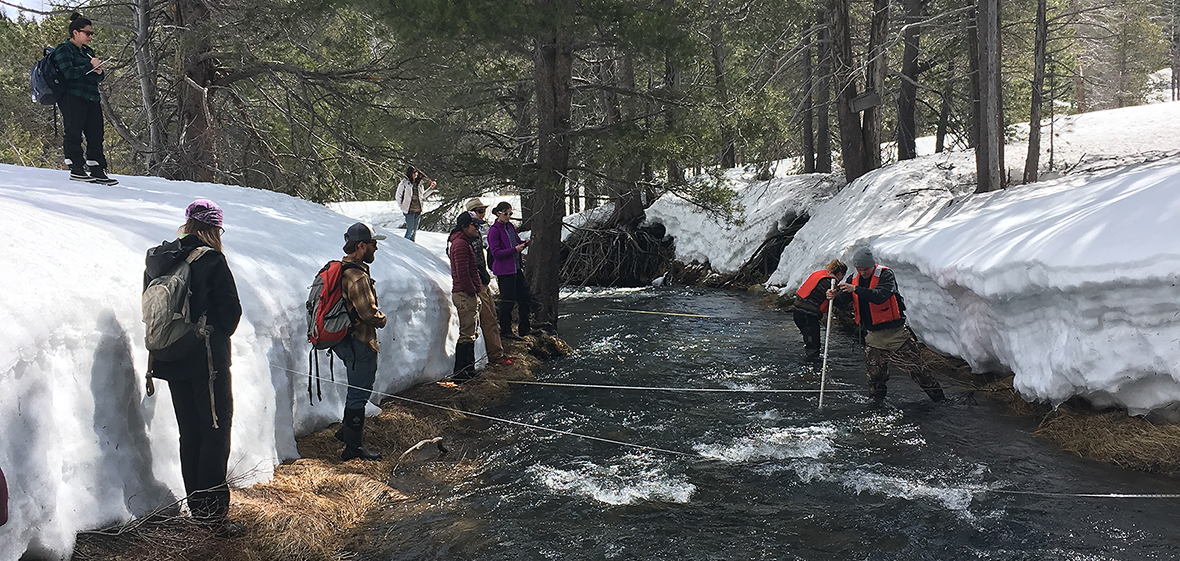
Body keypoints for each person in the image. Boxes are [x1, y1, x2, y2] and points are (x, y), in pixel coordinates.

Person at [144, 199, 242, 535]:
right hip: (207, 361)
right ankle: (212, 516)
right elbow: (230, 313)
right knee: (215, 431)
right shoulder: (212, 260)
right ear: (214, 228)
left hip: (171, 359)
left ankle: (197, 507)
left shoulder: (161, 259)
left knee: (191, 432)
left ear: (187, 224)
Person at [828, 247, 944, 402]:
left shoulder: (885, 275)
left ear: (872, 265)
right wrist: (833, 296)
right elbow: (843, 300)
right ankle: (877, 405)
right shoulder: (853, 278)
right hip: (873, 337)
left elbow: (881, 296)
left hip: (896, 335)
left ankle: (940, 400)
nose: (862, 273)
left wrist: (855, 289)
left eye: (865, 269)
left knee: (919, 372)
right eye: (859, 269)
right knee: (875, 378)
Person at [334, 222, 388, 461]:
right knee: (358, 393)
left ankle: (346, 432)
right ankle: (353, 449)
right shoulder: (357, 276)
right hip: (360, 341)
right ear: (361, 245)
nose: (376, 249)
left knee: (357, 390)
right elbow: (367, 312)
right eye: (374, 245)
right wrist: (382, 319)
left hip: (346, 341)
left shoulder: (343, 269)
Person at [53, 13, 117, 185]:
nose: (90, 36)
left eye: (91, 33)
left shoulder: (88, 52)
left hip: (91, 96)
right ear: (75, 32)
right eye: (87, 33)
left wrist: (98, 71)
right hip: (72, 96)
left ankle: (97, 168)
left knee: (96, 133)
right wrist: (89, 66)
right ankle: (76, 167)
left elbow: (96, 78)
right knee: (73, 131)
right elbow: (69, 73)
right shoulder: (63, 50)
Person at [464, 198, 512, 366]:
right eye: (479, 211)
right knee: (486, 320)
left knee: (492, 317)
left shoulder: (477, 233)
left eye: (483, 211)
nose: (482, 214)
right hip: (475, 283)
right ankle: (495, 355)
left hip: (483, 279)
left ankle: (497, 352)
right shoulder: (464, 236)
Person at [486, 201, 533, 339]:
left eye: (510, 213)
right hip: (504, 271)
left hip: (516, 269)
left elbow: (516, 241)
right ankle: (505, 330)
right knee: (507, 301)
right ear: (498, 214)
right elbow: (496, 253)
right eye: (505, 213)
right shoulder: (494, 231)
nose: (508, 216)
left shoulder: (510, 227)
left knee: (524, 298)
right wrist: (514, 250)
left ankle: (525, 328)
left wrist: (524, 243)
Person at [449, 212, 483, 380]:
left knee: (470, 332)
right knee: (466, 335)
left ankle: (468, 370)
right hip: (464, 295)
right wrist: (471, 291)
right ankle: (462, 373)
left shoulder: (462, 242)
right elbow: (463, 272)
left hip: (466, 293)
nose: (478, 228)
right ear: (464, 226)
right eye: (475, 225)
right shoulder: (461, 244)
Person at [794, 258, 847, 359]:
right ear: (839, 273)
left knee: (809, 339)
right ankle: (812, 368)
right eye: (842, 276)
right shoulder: (831, 283)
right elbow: (838, 301)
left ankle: (810, 364)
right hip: (808, 315)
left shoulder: (819, 274)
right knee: (813, 346)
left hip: (797, 312)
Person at [394, 166, 435, 241]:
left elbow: (422, 196)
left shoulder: (419, 183)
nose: (415, 174)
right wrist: (403, 207)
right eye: (414, 172)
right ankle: (405, 245)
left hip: (418, 211)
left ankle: (412, 249)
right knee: (409, 231)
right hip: (409, 211)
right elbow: (398, 196)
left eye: (416, 172)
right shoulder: (404, 183)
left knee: (414, 232)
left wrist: (431, 188)